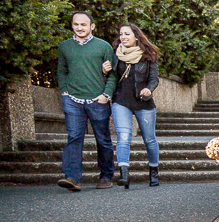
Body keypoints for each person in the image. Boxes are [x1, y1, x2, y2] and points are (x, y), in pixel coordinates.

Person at [56, 11, 116, 191]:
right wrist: (65, 93)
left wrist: (106, 95)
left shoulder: (103, 46)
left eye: (83, 24)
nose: (79, 28)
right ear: (72, 25)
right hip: (72, 100)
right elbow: (62, 71)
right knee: (74, 137)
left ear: (92, 26)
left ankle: (106, 176)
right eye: (76, 24)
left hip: (98, 100)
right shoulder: (64, 46)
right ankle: (72, 178)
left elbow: (112, 74)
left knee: (103, 139)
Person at [103, 23, 161, 188]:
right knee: (123, 136)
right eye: (121, 34)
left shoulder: (148, 55)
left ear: (136, 36)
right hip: (121, 101)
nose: (123, 37)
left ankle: (154, 171)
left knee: (149, 139)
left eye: (127, 34)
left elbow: (154, 78)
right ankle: (124, 174)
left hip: (143, 102)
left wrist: (149, 89)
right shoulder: (116, 54)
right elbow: (111, 77)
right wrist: (105, 70)